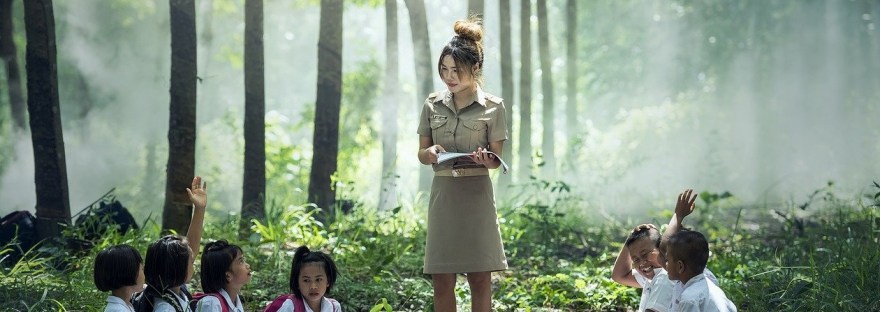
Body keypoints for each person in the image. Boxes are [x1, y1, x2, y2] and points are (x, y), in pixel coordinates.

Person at [415, 16, 508, 312]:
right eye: (444, 69)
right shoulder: (432, 104)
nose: (449, 76)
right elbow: (421, 152)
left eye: (456, 70)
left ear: (475, 68)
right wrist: (429, 154)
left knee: (480, 277)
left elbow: (496, 159)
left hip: (477, 194)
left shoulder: (493, 107)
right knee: (442, 278)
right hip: (443, 195)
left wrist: (486, 159)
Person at [612, 189, 709, 312]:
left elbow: (664, 245)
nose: (642, 263)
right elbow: (619, 276)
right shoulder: (654, 276)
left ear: (664, 252)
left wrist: (677, 216)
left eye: (645, 254)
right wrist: (630, 239)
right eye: (635, 259)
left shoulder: (664, 278)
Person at [134, 176, 208, 312]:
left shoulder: (174, 292)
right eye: (191, 262)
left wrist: (199, 209)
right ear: (177, 268)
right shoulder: (165, 307)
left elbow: (190, 249)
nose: (194, 263)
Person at [665, 229, 737, 312]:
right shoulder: (710, 286)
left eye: (667, 260)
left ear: (680, 266)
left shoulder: (689, 298)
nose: (666, 264)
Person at [264, 246, 341, 312]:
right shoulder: (290, 306)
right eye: (306, 280)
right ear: (297, 283)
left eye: (318, 280)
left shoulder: (334, 307)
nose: (313, 286)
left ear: (328, 281)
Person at [193, 240, 251, 312]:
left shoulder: (236, 301)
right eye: (241, 261)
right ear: (228, 276)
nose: (248, 265)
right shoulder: (211, 304)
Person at [95, 244, 145, 312]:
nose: (144, 274)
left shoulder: (124, 305)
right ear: (130, 272)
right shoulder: (119, 310)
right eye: (142, 269)